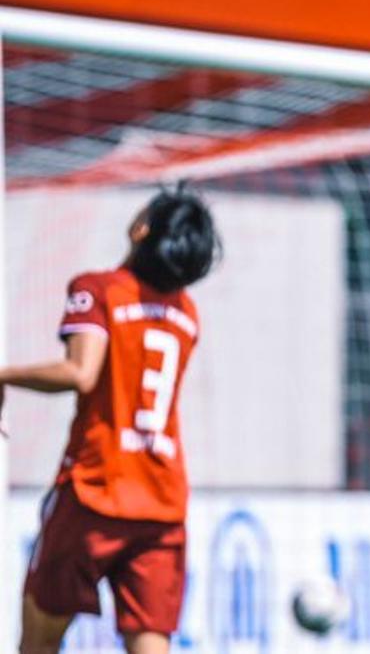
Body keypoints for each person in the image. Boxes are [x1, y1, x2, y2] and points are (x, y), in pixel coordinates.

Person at [0, 186, 221, 654]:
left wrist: (5, 373)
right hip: (161, 504)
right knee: (149, 644)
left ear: (142, 228)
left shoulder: (97, 290)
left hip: (95, 491)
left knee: (37, 643)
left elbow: (81, 373)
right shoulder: (187, 313)